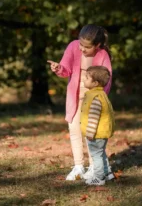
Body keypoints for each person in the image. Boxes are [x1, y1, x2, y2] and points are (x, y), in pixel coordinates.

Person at [47, 24, 114, 181]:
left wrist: (100, 97)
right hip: (75, 96)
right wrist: (58, 68)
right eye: (81, 44)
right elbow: (66, 70)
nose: (82, 49)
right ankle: (78, 166)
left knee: (91, 132)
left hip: (93, 98)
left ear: (97, 45)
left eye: (87, 47)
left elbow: (107, 79)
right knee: (74, 129)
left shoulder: (103, 54)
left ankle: (94, 166)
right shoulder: (73, 47)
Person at [80, 66, 115, 186]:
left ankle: (99, 177)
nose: (83, 80)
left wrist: (90, 133)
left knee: (96, 156)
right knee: (101, 153)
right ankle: (107, 173)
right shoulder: (101, 94)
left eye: (87, 78)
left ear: (95, 83)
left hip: (96, 133)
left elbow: (94, 117)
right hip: (102, 132)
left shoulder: (95, 97)